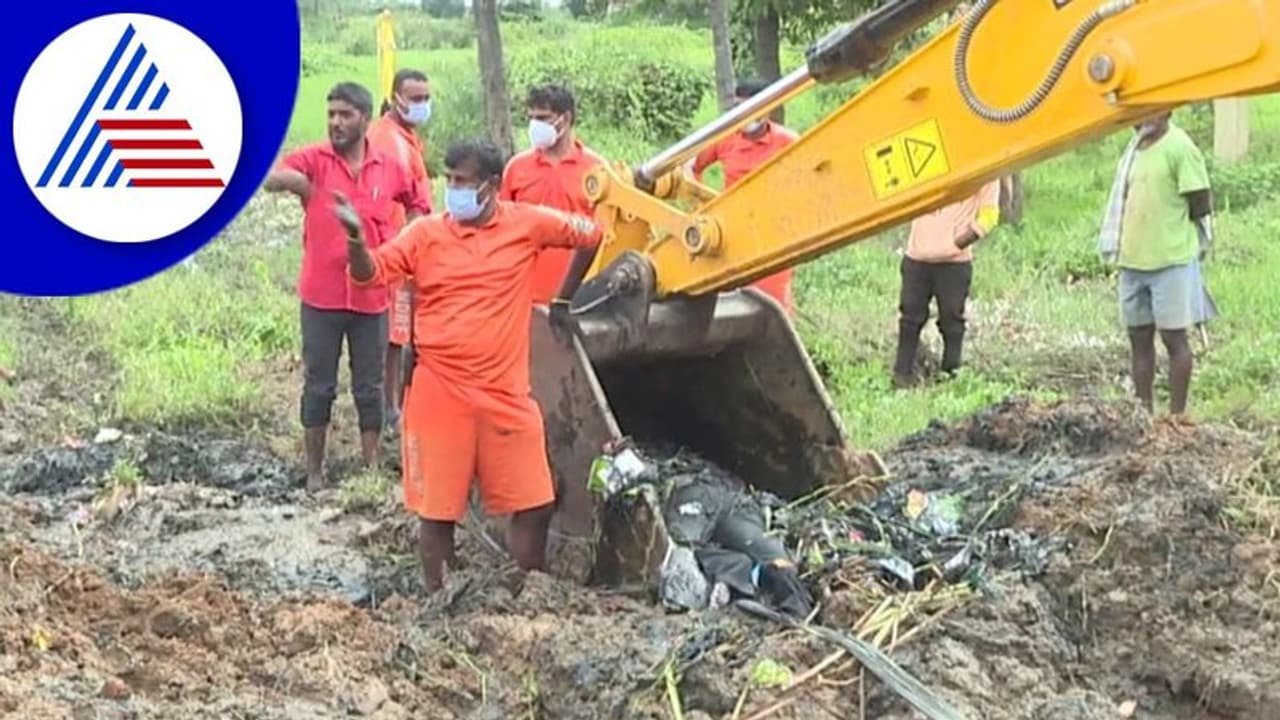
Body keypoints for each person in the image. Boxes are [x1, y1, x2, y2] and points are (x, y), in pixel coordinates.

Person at [337, 139, 602, 593]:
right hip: (441, 391)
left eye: (463, 181)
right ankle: (438, 596)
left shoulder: (529, 224)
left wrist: (564, 298)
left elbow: (592, 234)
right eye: (450, 180)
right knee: (439, 510)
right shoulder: (425, 235)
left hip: (506, 394)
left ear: (492, 187)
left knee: (535, 502)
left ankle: (525, 592)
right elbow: (370, 273)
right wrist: (356, 241)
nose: (453, 190)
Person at [263, 81, 431, 491]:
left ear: (365, 119)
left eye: (345, 114)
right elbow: (272, 177)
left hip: (372, 297)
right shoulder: (315, 160)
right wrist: (295, 185)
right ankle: (315, 474)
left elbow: (419, 207)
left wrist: (405, 248)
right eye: (332, 113)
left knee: (369, 386)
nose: (336, 122)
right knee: (319, 385)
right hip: (321, 297)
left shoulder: (390, 167)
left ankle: (370, 469)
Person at [1098, 111, 1214, 416]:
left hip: (1170, 262)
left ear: (1167, 109)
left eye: (1152, 109)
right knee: (1139, 340)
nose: (1143, 118)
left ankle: (1177, 416)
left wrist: (1173, 235)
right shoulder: (1134, 149)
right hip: (1133, 263)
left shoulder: (1180, 147)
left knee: (1174, 338)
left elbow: (1200, 202)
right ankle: (1144, 413)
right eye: (1138, 110)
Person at [688, 79, 801, 314]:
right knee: (728, 305)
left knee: (773, 309)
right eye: (740, 108)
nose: (746, 115)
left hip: (773, 236)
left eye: (752, 108)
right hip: (731, 234)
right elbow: (691, 166)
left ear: (766, 109)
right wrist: (703, 208)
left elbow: (809, 178)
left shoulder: (787, 142)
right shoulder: (725, 138)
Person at [368, 68, 434, 428]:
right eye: (416, 98)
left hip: (405, 245)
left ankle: (394, 403)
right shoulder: (388, 140)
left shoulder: (404, 136)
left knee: (400, 331)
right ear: (396, 98)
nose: (423, 105)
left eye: (426, 98)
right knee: (392, 333)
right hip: (394, 245)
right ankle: (387, 406)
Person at [499, 84, 606, 305]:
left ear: (565, 119)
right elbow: (500, 231)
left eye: (543, 118)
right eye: (532, 118)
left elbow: (605, 234)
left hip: (579, 298)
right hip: (525, 297)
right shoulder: (517, 168)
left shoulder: (598, 171)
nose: (534, 125)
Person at [892, 180, 1001, 389]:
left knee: (952, 323)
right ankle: (901, 376)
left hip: (954, 263)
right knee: (909, 319)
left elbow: (990, 215)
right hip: (917, 257)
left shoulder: (985, 168)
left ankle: (950, 380)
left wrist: (956, 243)